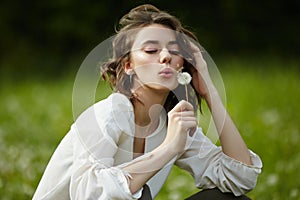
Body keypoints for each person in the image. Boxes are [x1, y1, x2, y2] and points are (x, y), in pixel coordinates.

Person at [33, 4, 262, 200]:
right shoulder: (108, 113)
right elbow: (88, 194)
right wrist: (169, 148)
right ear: (128, 66)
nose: (165, 56)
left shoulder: (171, 122)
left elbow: (239, 178)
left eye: (174, 51)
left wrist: (209, 91)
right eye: (151, 50)